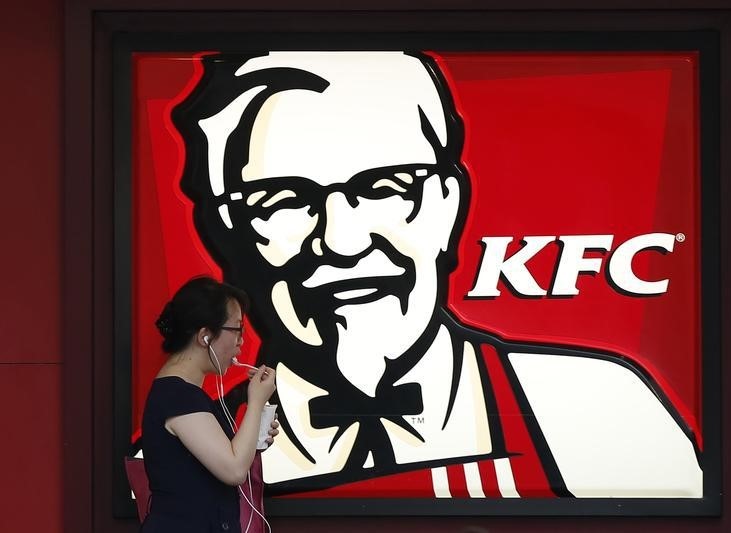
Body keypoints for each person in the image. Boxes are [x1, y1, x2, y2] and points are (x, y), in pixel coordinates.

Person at [171, 52, 703, 499]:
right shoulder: (192, 441)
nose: (342, 240)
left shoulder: (598, 408)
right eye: (285, 200)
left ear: (446, 207)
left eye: (385, 188)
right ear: (231, 231)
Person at [140, 276, 279, 532]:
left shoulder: (186, 394)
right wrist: (256, 402)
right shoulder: (177, 395)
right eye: (237, 330)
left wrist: (253, 435)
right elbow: (234, 469)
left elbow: (227, 461)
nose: (242, 341)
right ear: (205, 336)